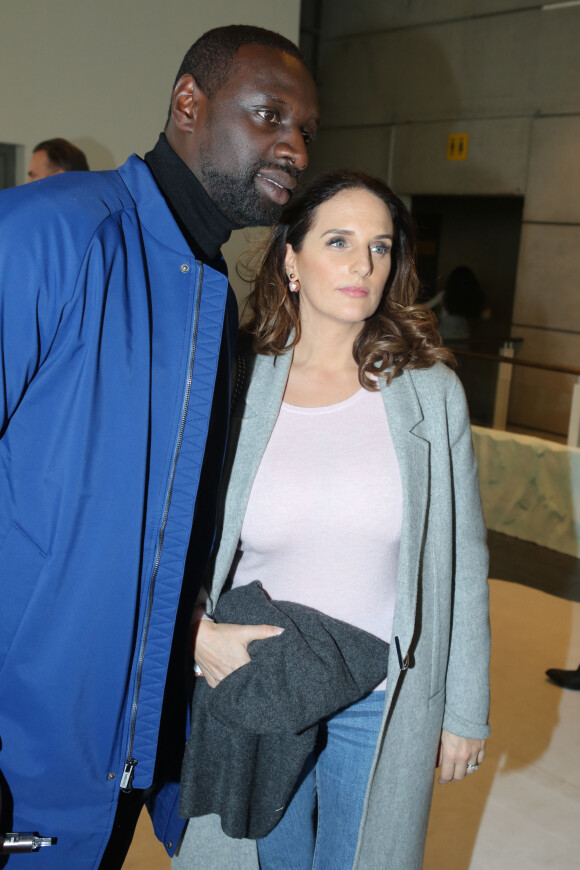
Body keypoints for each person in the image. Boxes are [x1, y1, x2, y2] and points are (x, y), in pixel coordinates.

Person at [0, 24, 318, 869]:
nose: (293, 145)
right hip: (22, 751)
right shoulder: (46, 234)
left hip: (123, 747)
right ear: (189, 104)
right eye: (270, 115)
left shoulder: (206, 290)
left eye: (306, 132)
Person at [174, 170, 491, 870]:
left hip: (380, 690)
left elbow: (462, 562)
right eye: (340, 241)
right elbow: (173, 538)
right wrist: (195, 637)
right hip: (261, 674)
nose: (362, 264)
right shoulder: (236, 383)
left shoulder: (429, 394)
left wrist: (465, 708)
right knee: (268, 860)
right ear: (291, 258)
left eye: (380, 247)